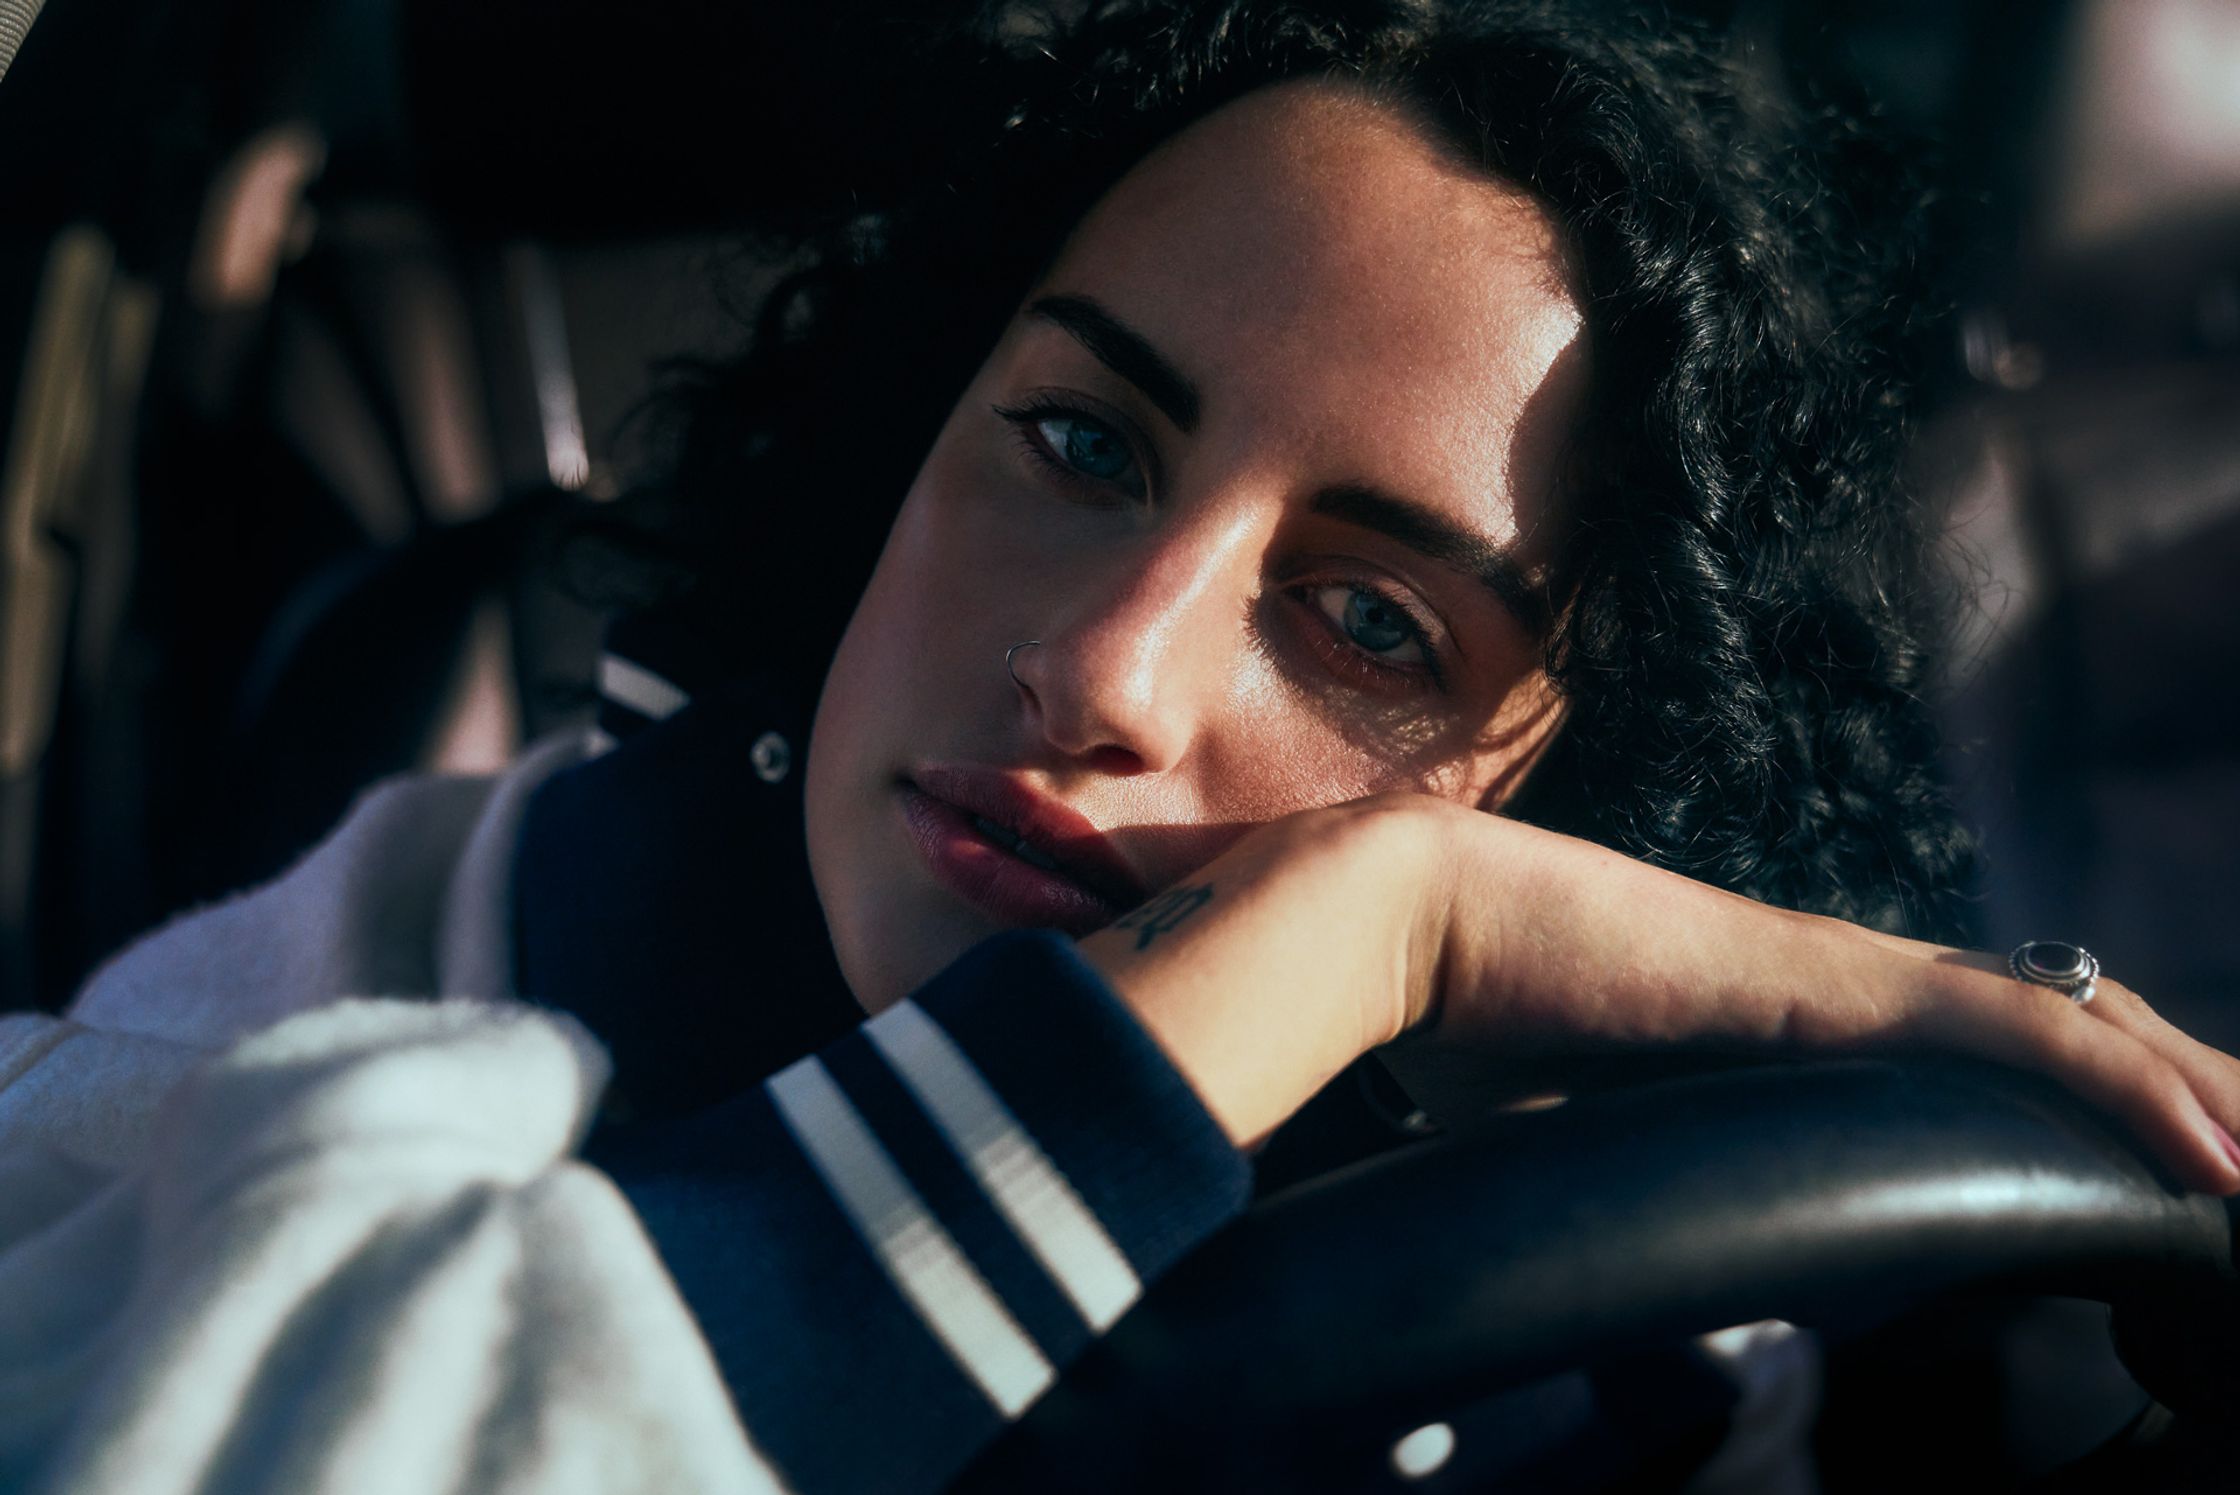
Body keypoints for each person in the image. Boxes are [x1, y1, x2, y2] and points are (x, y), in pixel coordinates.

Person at [3, 1, 2237, 1491]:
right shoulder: (424, 948)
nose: (1110, 670)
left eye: (1371, 623)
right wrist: (1362, 914)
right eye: (1076, 440)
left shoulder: (1659, 1333)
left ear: (1560, 794)